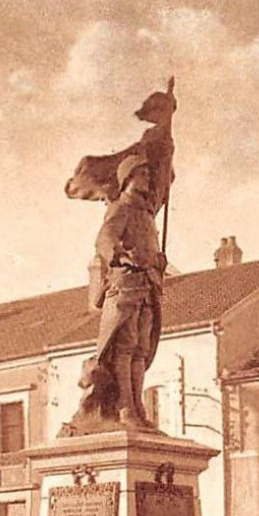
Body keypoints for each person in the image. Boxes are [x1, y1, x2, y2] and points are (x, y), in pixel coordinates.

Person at [90, 153, 167, 428]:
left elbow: (149, 245)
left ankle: (138, 408)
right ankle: (125, 408)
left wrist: (158, 260)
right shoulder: (120, 207)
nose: (147, 178)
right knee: (124, 346)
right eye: (142, 173)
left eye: (148, 173)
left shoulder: (146, 214)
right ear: (128, 178)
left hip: (147, 284)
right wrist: (120, 255)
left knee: (141, 349)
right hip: (127, 285)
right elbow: (105, 237)